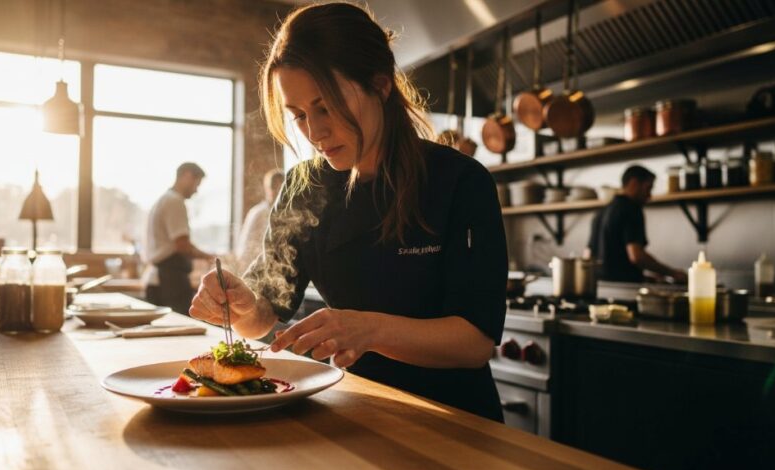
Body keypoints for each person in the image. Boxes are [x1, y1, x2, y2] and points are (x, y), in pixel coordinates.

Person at [189, 3, 508, 421]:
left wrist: (368, 329)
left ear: (380, 85)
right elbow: (266, 312)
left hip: (454, 420)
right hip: (354, 411)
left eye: (327, 106)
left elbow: (474, 344)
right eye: (299, 115)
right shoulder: (306, 186)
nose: (314, 132)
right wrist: (244, 305)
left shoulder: (459, 181)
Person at [587, 165, 686, 283]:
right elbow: (637, 256)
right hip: (625, 289)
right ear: (634, 183)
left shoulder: (601, 212)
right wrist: (673, 273)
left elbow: (588, 255)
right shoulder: (631, 209)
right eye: (648, 188)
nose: (649, 196)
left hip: (600, 286)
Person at [143, 162, 213, 315]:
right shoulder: (174, 201)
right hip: (169, 282)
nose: (196, 190)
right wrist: (209, 257)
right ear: (187, 176)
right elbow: (182, 245)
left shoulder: (164, 199)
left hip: (161, 280)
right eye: (197, 184)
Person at [233, 169, 285, 271]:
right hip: (254, 268)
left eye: (281, 187)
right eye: (274, 187)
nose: (278, 191)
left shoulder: (285, 213)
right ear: (267, 189)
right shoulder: (259, 213)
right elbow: (246, 249)